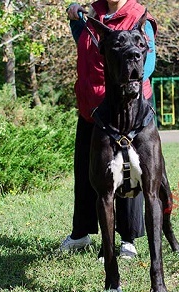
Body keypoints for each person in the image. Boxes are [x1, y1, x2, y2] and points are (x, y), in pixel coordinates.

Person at [60, 0, 158, 259]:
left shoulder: (139, 18)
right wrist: (75, 20)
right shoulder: (96, 13)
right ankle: (81, 233)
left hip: (124, 112)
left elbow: (146, 64)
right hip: (92, 109)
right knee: (87, 173)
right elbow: (89, 47)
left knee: (130, 174)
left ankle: (127, 240)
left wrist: (127, 85)